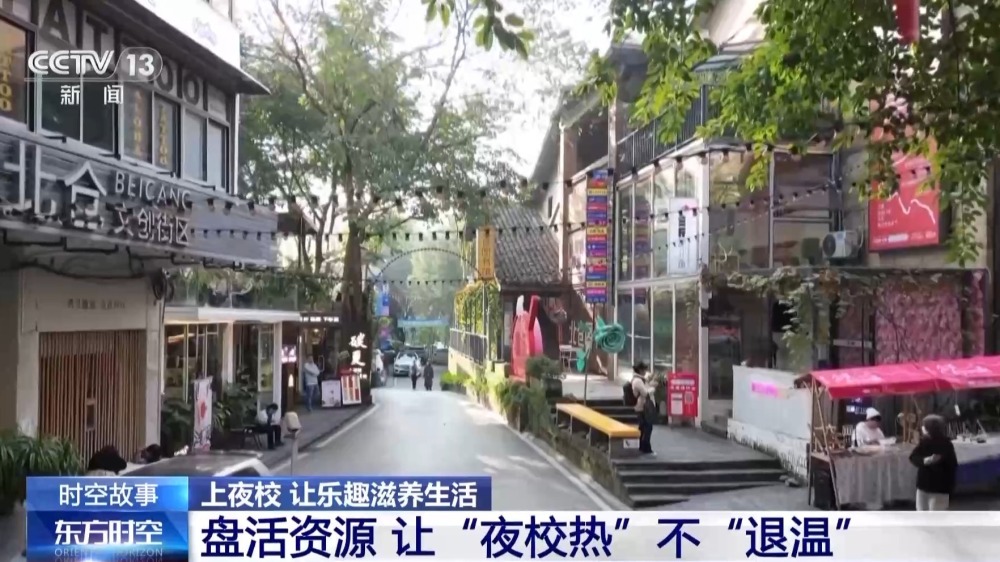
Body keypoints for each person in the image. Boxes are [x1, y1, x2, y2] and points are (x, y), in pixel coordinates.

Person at [908, 414, 957, 511]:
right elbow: (913, 457)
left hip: (939, 487)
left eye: (924, 426)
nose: (922, 428)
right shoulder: (925, 441)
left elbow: (952, 466)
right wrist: (926, 460)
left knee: (935, 515)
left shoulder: (945, 444)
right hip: (924, 486)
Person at [630, 362, 656, 456]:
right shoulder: (638, 381)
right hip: (642, 407)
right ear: (640, 370)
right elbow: (645, 393)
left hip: (642, 407)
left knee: (643, 427)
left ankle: (642, 446)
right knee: (647, 427)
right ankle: (646, 448)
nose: (645, 371)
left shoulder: (639, 379)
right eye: (644, 369)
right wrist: (653, 388)